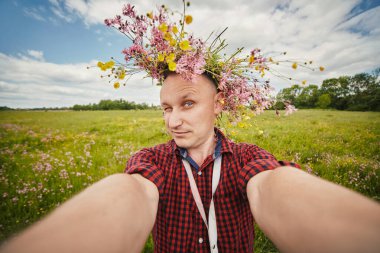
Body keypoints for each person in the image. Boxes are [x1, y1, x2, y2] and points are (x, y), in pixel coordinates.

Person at [2, 2, 380, 253]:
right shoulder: (152, 160)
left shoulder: (248, 158)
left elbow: (272, 187)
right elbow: (132, 193)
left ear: (218, 104)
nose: (173, 121)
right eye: (165, 108)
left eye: (187, 103)